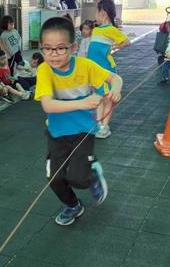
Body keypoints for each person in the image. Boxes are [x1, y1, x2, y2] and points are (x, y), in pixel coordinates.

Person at [34, 17, 123, 226]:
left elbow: (115, 78)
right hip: (56, 134)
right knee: (55, 179)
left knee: (78, 178)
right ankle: (73, 205)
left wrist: (116, 89)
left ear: (73, 47)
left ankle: (92, 173)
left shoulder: (85, 66)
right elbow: (47, 105)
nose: (53, 54)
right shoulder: (44, 70)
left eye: (60, 48)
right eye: (47, 49)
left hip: (83, 131)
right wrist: (83, 103)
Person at [87, 0, 130, 139]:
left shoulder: (111, 29)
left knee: (107, 99)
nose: (95, 14)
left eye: (96, 11)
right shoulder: (97, 29)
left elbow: (126, 41)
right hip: (94, 69)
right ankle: (99, 124)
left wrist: (113, 47)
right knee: (99, 98)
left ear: (103, 13)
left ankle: (104, 126)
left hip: (106, 68)